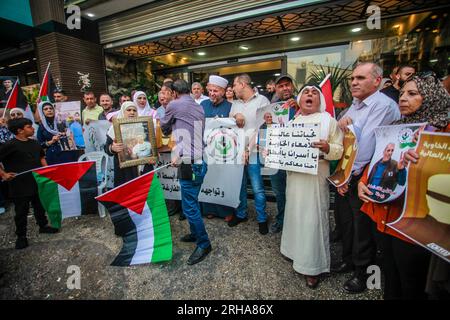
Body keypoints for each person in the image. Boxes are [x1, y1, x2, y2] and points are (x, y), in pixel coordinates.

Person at [358, 72, 449, 299]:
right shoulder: (395, 127)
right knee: (390, 275)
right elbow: (377, 161)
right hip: (384, 216)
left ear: (431, 97)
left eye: (412, 94)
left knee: (412, 283)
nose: (403, 98)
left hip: (414, 225)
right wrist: (362, 182)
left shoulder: (442, 132)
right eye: (402, 93)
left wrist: (423, 160)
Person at [333, 62, 400, 294]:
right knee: (347, 223)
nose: (354, 82)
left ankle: (363, 275)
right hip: (347, 173)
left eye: (361, 78)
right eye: (353, 78)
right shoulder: (355, 105)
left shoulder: (382, 105)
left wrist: (348, 177)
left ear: (377, 81)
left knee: (363, 229)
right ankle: (349, 261)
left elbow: (366, 145)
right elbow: (340, 134)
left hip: (366, 175)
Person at [281, 84, 343, 289]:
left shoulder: (329, 121)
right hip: (295, 179)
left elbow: (339, 150)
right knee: (296, 216)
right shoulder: (294, 121)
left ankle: (312, 267)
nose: (309, 95)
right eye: (306, 92)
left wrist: (327, 148)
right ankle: (294, 253)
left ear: (320, 100)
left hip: (315, 181)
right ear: (300, 99)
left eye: (314, 92)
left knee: (312, 220)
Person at [160, 79, 211, 265]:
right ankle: (195, 233)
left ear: (173, 93)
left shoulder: (174, 104)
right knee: (191, 201)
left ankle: (204, 243)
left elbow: (164, 127)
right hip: (199, 160)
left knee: (190, 206)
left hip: (189, 163)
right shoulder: (198, 106)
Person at [0, 118, 59, 249]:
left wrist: (48, 171)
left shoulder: (34, 143)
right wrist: (4, 174)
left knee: (39, 205)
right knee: (21, 210)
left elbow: (41, 157)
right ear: (19, 131)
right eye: (29, 127)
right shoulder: (10, 145)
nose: (32, 129)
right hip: (19, 185)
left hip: (36, 181)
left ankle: (43, 225)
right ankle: (21, 236)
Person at [229, 74, 270, 234]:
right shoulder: (235, 103)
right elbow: (230, 122)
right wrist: (235, 115)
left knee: (257, 187)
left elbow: (262, 128)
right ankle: (241, 214)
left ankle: (261, 219)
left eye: (235, 84)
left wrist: (248, 150)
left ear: (243, 84)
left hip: (254, 152)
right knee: (239, 186)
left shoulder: (262, 101)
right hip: (237, 151)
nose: (233, 88)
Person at [264, 74, 298, 233]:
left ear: (292, 86)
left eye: (287, 85)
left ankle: (296, 225)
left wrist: (299, 107)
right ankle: (281, 220)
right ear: (276, 89)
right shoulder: (272, 108)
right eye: (281, 86)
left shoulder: (303, 103)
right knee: (279, 192)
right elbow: (265, 131)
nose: (285, 88)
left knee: (297, 193)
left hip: (296, 157)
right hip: (276, 157)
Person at [200, 75, 234, 221]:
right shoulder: (203, 104)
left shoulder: (230, 106)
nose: (212, 93)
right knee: (208, 179)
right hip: (206, 149)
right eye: (210, 90)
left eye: (216, 91)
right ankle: (209, 209)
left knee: (223, 180)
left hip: (223, 150)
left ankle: (226, 211)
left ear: (223, 91)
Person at [104, 102, 154, 188]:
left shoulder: (144, 126)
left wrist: (152, 155)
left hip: (144, 167)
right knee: (127, 195)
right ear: (123, 111)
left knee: (146, 194)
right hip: (125, 170)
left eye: (134, 110)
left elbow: (150, 146)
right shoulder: (114, 128)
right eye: (129, 110)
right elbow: (106, 148)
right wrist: (112, 148)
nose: (132, 112)